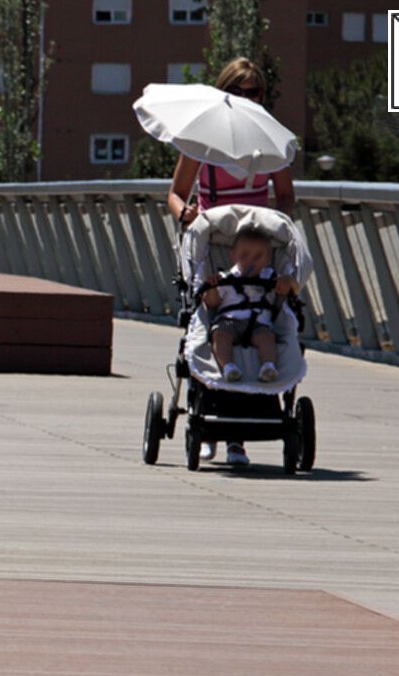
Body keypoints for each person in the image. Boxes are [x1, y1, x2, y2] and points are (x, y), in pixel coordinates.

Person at [164, 57, 298, 466]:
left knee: (262, 320)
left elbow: (286, 194)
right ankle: (209, 421)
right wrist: (185, 214)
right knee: (211, 319)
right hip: (215, 240)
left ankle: (239, 435)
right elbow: (174, 194)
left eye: (252, 92)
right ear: (223, 94)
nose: (245, 98)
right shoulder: (201, 141)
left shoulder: (270, 141)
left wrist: (284, 226)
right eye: (236, 92)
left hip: (256, 242)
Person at [203, 226, 282, 384]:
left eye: (258, 256)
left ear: (267, 259)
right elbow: (212, 303)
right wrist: (211, 288)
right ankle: (228, 367)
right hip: (229, 320)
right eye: (244, 255)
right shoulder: (226, 278)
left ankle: (268, 366)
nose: (251, 261)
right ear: (233, 256)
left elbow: (290, 288)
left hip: (259, 324)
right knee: (220, 335)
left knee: (267, 338)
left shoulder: (270, 277)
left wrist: (287, 283)